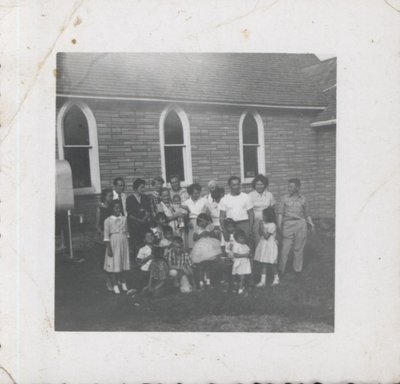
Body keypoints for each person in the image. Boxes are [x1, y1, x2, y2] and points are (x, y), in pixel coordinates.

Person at [277, 178, 315, 275]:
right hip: (288, 225)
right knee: (284, 249)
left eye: (291, 186)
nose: (289, 188)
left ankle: (297, 270)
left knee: (298, 248)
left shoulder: (303, 199)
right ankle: (281, 270)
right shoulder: (284, 198)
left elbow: (307, 214)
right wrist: (279, 225)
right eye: (288, 186)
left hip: (301, 224)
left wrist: (312, 224)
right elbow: (280, 213)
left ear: (298, 187)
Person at [103, 200, 130, 294]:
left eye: (119, 207)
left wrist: (128, 246)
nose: (118, 209)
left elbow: (127, 232)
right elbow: (106, 236)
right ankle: (114, 284)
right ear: (111, 209)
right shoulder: (107, 221)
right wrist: (109, 248)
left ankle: (123, 283)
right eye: (115, 208)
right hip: (113, 243)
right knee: (114, 264)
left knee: (123, 264)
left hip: (123, 242)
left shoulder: (124, 218)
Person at [190, 213, 222, 288]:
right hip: (200, 249)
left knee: (208, 265)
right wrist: (201, 235)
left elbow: (212, 232)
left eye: (204, 221)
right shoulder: (197, 229)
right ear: (198, 222)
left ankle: (208, 280)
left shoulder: (209, 228)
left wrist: (208, 231)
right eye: (201, 222)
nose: (202, 223)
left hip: (208, 249)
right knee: (201, 266)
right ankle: (201, 281)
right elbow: (194, 238)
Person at [219, 176, 255, 243]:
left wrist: (250, 228)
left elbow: (251, 214)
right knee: (232, 247)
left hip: (244, 224)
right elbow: (222, 216)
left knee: (246, 246)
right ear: (229, 186)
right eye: (234, 185)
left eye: (238, 184)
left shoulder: (246, 197)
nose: (237, 187)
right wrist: (224, 230)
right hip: (231, 226)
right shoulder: (224, 199)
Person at [254, 207, 279, 287]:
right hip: (263, 245)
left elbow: (267, 236)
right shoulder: (264, 223)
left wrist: (262, 227)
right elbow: (260, 234)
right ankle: (263, 281)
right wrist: (259, 227)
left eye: (264, 215)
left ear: (268, 216)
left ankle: (276, 278)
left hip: (270, 245)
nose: (263, 217)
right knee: (263, 262)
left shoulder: (272, 225)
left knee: (271, 263)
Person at [248, 175, 275, 246]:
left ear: (265, 185)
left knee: (269, 241)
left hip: (268, 222)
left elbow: (272, 209)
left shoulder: (269, 194)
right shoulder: (250, 195)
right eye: (257, 184)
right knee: (259, 242)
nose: (259, 186)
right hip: (256, 221)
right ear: (254, 185)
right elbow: (248, 211)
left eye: (261, 184)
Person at [126, 178, 153, 252]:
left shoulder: (145, 198)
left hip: (144, 225)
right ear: (135, 188)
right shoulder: (129, 199)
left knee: (145, 243)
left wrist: (144, 219)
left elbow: (149, 211)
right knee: (136, 245)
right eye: (141, 187)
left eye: (144, 187)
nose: (143, 189)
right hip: (134, 226)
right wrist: (139, 220)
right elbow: (130, 214)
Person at [182, 183, 207, 249]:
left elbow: (207, 213)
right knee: (192, 243)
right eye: (195, 193)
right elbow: (184, 216)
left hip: (202, 223)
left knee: (202, 244)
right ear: (190, 193)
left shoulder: (204, 200)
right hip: (192, 224)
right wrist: (187, 222)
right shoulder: (186, 202)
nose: (197, 195)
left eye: (198, 193)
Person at [232, 229, 252, 295]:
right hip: (240, 264)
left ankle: (241, 287)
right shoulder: (236, 246)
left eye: (244, 238)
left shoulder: (246, 246)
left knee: (244, 277)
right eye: (241, 238)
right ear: (236, 239)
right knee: (241, 277)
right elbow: (236, 255)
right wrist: (244, 255)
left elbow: (248, 253)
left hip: (245, 263)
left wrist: (249, 255)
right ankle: (240, 290)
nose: (243, 239)